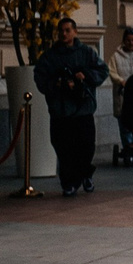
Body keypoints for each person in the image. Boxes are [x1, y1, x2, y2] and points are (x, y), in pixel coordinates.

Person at [34, 17, 106, 196]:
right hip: (61, 110)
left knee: (86, 146)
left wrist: (85, 76)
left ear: (75, 32)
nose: (64, 34)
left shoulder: (86, 52)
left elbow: (102, 71)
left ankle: (85, 174)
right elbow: (41, 77)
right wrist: (58, 84)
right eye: (61, 31)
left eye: (67, 30)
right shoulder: (50, 56)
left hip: (83, 109)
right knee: (63, 147)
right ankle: (68, 182)